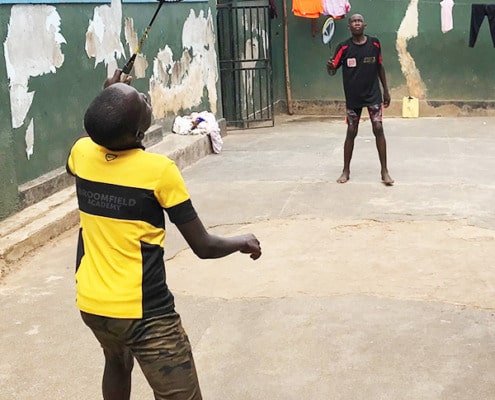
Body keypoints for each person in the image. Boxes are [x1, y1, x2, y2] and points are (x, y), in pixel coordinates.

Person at [66, 69, 262, 400]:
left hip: (93, 303)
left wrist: (109, 97)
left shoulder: (82, 154)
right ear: (138, 133)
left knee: (116, 360)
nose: (143, 96)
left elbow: (95, 136)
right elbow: (203, 246)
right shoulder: (158, 172)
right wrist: (242, 240)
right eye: (141, 101)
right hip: (145, 313)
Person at [326, 13, 394, 185]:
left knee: (378, 128)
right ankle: (346, 170)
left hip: (373, 95)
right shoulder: (343, 48)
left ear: (365, 25)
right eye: (353, 21)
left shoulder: (375, 43)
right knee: (351, 131)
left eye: (359, 21)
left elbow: (380, 66)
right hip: (353, 97)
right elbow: (332, 70)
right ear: (349, 27)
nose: (356, 23)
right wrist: (330, 67)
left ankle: (384, 171)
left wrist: (386, 91)